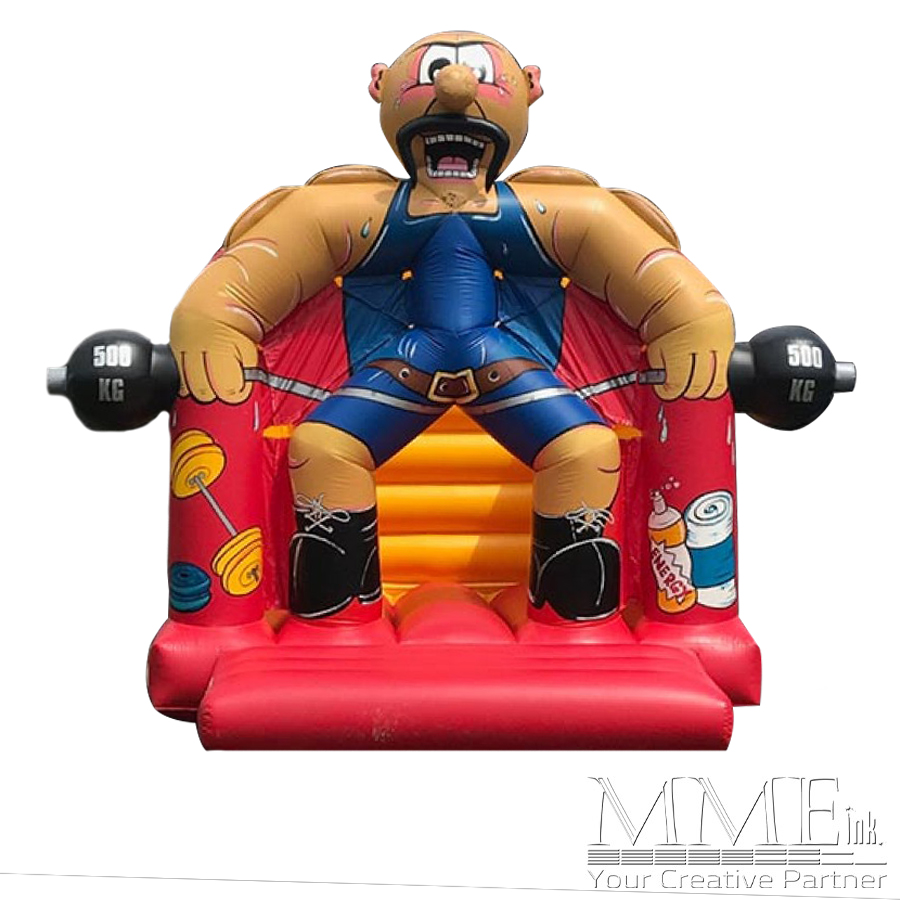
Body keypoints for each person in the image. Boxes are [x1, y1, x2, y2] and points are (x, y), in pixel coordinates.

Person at [170, 31, 734, 626]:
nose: (456, 86)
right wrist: (213, 321)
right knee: (323, 448)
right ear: (380, 84)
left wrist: (691, 319)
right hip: (407, 362)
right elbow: (249, 276)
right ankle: (336, 618)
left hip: (502, 362)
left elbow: (658, 278)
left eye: (480, 75)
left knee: (586, 450)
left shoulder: (553, 212)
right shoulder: (354, 211)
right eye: (435, 71)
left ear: (531, 89)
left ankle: (570, 618)